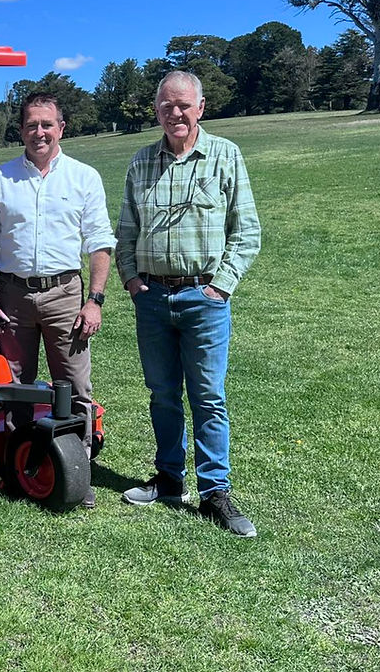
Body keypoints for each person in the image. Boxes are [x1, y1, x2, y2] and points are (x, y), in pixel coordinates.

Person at [116, 70, 261, 537]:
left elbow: (247, 230)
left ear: (200, 108)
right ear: (156, 111)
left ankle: (215, 492)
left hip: (204, 297)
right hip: (152, 298)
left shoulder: (225, 155)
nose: (174, 113)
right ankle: (168, 479)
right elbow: (126, 232)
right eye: (165, 106)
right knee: (161, 394)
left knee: (208, 397)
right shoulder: (141, 162)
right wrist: (133, 280)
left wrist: (220, 286)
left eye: (183, 105)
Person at [0, 92, 116, 508]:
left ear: (61, 128)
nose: (40, 132)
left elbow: (100, 243)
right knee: (14, 386)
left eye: (47, 124)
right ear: (21, 130)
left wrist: (95, 301)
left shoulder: (83, 178)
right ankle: (18, 470)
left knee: (75, 388)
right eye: (32, 124)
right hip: (13, 297)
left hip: (66, 295)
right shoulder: (1, 178)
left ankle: (77, 473)